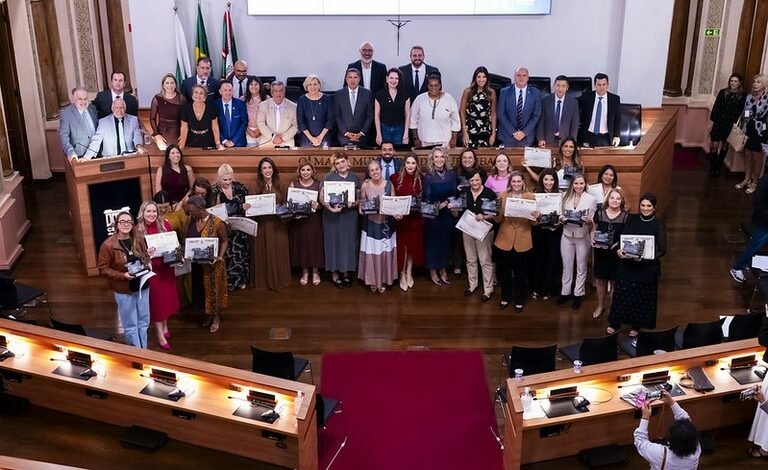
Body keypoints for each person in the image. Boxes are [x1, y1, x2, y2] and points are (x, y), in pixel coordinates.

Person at [607, 193, 666, 336]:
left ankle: (636, 325)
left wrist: (645, 259)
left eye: (648, 206)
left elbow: (662, 250)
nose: (645, 208)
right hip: (627, 264)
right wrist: (618, 249)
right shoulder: (631, 218)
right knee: (621, 294)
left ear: (654, 208)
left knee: (640, 297)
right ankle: (615, 323)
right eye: (643, 205)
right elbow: (620, 238)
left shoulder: (658, 225)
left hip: (645, 267)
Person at [96, 211, 149, 348]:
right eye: (122, 221)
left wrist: (148, 260)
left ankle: (145, 351)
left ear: (133, 224)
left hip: (142, 285)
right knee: (130, 324)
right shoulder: (108, 245)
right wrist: (122, 276)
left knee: (144, 321)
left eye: (129, 222)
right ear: (116, 225)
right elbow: (103, 268)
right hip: (124, 288)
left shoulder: (138, 239)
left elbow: (144, 258)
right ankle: (136, 355)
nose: (126, 224)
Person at [135, 201, 179, 350]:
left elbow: (174, 245)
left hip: (167, 268)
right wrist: (146, 254)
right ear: (143, 213)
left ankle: (165, 326)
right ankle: (159, 333)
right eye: (148, 211)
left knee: (167, 300)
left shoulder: (165, 225)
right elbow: (136, 255)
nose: (152, 214)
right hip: (153, 271)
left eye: (154, 211)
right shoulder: (138, 231)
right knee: (157, 302)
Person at [495, 171, 539, 311]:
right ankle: (505, 297)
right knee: (505, 272)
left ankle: (519, 299)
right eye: (513, 182)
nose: (516, 184)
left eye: (518, 181)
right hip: (505, 239)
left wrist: (537, 217)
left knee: (521, 273)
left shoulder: (531, 197)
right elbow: (497, 220)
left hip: (523, 239)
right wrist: (499, 210)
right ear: (510, 183)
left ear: (523, 183)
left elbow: (534, 224)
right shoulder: (502, 195)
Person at [186, 195, 228, 333]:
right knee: (201, 291)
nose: (190, 213)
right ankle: (207, 314)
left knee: (213, 291)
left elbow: (224, 241)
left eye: (192, 210)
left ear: (200, 209)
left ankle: (216, 317)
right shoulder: (191, 221)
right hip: (196, 264)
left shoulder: (216, 222)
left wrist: (220, 257)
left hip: (212, 265)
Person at [322, 151, 362, 288]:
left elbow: (359, 198)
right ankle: (334, 273)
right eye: (337, 163)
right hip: (332, 216)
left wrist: (354, 203)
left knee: (348, 244)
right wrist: (330, 208)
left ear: (347, 161)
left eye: (342, 161)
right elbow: (322, 197)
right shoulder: (328, 177)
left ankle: (345, 273)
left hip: (349, 216)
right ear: (334, 165)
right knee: (333, 243)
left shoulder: (355, 178)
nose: (341, 165)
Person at [557, 174, 597, 310]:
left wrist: (588, 221)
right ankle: (565, 292)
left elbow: (592, 220)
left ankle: (578, 294)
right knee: (566, 266)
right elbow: (560, 214)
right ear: (572, 185)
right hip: (567, 235)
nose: (578, 186)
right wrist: (561, 219)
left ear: (585, 184)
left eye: (581, 184)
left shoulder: (591, 199)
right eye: (576, 184)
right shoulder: (564, 197)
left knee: (581, 266)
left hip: (582, 236)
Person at [251, 157, 291, 291]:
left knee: (278, 252)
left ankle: (279, 280)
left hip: (278, 225)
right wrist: (247, 207)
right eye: (264, 168)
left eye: (269, 167)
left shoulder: (282, 184)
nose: (267, 170)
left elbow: (287, 205)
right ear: (260, 171)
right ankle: (263, 282)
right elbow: (251, 207)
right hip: (262, 225)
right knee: (262, 251)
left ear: (273, 169)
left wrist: (282, 209)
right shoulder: (254, 185)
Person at [358, 160, 398, 293]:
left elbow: (394, 203)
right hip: (371, 224)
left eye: (377, 169)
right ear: (369, 173)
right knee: (372, 251)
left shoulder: (389, 185)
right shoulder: (365, 185)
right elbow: (361, 205)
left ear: (381, 170)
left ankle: (383, 279)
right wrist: (362, 208)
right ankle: (372, 280)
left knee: (384, 251)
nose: (375, 172)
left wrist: (397, 213)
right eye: (372, 170)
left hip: (386, 224)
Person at [635, 391, 700, 469]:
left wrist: (645, 417)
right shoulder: (696, 448)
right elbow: (686, 421)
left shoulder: (661, 455)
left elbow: (640, 441)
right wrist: (671, 402)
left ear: (670, 441)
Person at [590, 188, 628, 319]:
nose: (615, 201)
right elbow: (593, 231)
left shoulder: (625, 217)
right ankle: (600, 305)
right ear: (608, 199)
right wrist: (592, 239)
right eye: (612, 198)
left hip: (616, 254)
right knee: (601, 281)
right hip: (601, 252)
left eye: (618, 198)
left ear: (622, 201)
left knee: (614, 282)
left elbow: (626, 237)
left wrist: (617, 245)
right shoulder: (599, 214)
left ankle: (613, 308)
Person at [459, 170, 496, 302]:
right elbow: (459, 210)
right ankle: (472, 285)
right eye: (472, 180)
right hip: (467, 230)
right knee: (470, 259)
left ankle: (488, 289)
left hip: (484, 231)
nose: (474, 183)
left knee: (485, 260)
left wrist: (485, 216)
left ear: (482, 180)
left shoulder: (489, 193)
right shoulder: (463, 193)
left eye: (477, 180)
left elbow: (495, 214)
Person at [212, 164, 250, 291]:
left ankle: (241, 280)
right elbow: (212, 211)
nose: (227, 182)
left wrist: (245, 207)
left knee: (241, 254)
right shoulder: (214, 191)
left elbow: (248, 205)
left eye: (229, 179)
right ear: (219, 178)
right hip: (224, 228)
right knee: (227, 255)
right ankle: (228, 282)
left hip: (240, 227)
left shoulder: (240, 188)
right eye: (224, 180)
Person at [423, 147, 457, 285]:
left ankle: (443, 269)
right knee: (433, 244)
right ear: (432, 159)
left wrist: (451, 203)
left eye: (442, 157)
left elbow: (455, 193)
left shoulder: (451, 174)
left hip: (448, 215)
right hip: (433, 217)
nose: (439, 159)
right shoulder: (429, 177)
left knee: (445, 243)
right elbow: (425, 199)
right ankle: (432, 270)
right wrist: (437, 206)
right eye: (436, 157)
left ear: (445, 158)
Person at [391, 153, 424, 291]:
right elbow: (391, 198)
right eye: (408, 162)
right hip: (401, 219)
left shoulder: (421, 179)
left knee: (413, 247)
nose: (410, 165)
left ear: (416, 165)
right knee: (402, 247)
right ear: (404, 164)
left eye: (413, 163)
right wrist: (394, 213)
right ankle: (401, 273)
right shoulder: (395, 178)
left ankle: (409, 272)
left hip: (415, 218)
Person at [288, 159, 324, 286]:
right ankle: (304, 272)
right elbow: (290, 205)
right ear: (299, 171)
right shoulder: (294, 184)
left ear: (313, 171)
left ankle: (315, 271)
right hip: (299, 220)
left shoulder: (319, 184)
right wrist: (294, 213)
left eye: (308, 169)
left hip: (314, 220)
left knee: (315, 245)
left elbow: (322, 205)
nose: (305, 172)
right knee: (302, 244)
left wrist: (318, 205)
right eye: (303, 170)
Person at [531, 168, 562, 300]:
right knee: (538, 260)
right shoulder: (535, 194)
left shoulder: (560, 195)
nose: (548, 182)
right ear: (541, 180)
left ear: (555, 181)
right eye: (546, 179)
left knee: (552, 261)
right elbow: (531, 216)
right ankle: (536, 288)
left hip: (554, 232)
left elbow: (562, 215)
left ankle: (548, 289)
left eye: (551, 179)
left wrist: (558, 224)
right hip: (539, 231)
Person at [731, 173, 768, 284]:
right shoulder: (766, 180)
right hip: (765, 221)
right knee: (755, 246)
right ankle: (737, 267)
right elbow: (758, 200)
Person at [734, 74, 768, 194]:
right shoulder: (748, 97)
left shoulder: (767, 99)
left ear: (764, 84)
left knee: (757, 158)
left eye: (758, 82)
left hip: (761, 132)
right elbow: (744, 113)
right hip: (748, 129)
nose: (755, 84)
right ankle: (746, 179)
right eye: (754, 82)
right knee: (747, 155)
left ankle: (755, 182)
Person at [708, 73, 745, 176]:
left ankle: (718, 166)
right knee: (714, 145)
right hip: (719, 122)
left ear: (740, 83)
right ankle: (713, 166)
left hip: (730, 125)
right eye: (731, 81)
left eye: (735, 81)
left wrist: (739, 126)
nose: (733, 83)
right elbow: (716, 107)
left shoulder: (742, 96)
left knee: (725, 146)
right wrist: (713, 122)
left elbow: (742, 112)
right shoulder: (723, 92)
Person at [410, 73, 461, 148]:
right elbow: (413, 121)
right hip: (424, 142)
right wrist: (416, 139)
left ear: (440, 86)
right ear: (427, 86)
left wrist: (453, 140)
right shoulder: (419, 99)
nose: (433, 88)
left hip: (444, 142)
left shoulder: (449, 99)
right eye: (431, 85)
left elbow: (455, 121)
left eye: (436, 85)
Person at [497, 66, 542, 147]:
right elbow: (501, 114)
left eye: (524, 75)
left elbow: (536, 115)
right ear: (514, 77)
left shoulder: (536, 93)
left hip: (527, 138)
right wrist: (513, 132)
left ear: (528, 78)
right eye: (518, 75)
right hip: (507, 137)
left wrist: (524, 132)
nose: (521, 78)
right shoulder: (504, 92)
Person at [578, 73, 622, 148]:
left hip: (605, 136)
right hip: (588, 135)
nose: (601, 87)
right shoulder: (586, 97)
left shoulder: (614, 99)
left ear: (608, 85)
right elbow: (575, 108)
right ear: (594, 85)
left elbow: (618, 119)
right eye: (599, 85)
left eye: (604, 84)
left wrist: (617, 135)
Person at [536, 75, 580, 148]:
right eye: (558, 85)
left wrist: (572, 141)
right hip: (547, 141)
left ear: (567, 87)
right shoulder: (545, 101)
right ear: (554, 86)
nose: (560, 88)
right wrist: (540, 138)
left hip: (566, 141)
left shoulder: (573, 102)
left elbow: (574, 123)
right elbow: (540, 122)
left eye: (563, 86)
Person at [459, 66, 497, 147]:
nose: (481, 79)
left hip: (485, 129)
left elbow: (493, 114)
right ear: (475, 78)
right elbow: (462, 112)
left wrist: (493, 133)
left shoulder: (491, 92)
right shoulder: (468, 91)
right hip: (470, 129)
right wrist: (464, 131)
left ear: (487, 78)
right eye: (479, 77)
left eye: (484, 77)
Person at [335, 68, 374, 146]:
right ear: (346, 79)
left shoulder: (367, 94)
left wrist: (362, 133)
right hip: (344, 137)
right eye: (350, 77)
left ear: (359, 79)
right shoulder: (338, 94)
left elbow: (370, 115)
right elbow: (337, 116)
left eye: (355, 77)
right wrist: (346, 133)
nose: (352, 80)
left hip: (362, 137)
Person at [178, 84, 224, 150]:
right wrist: (182, 144)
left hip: (208, 143)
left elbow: (215, 127)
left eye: (201, 93)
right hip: (191, 143)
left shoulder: (211, 108)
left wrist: (218, 143)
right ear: (192, 95)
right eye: (196, 92)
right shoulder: (186, 108)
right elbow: (184, 128)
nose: (198, 95)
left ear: (205, 97)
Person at [59, 87, 98, 162]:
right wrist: (70, 152)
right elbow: (64, 136)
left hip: (97, 153)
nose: (83, 102)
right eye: (80, 99)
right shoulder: (66, 114)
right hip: (79, 156)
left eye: (85, 98)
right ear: (74, 99)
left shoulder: (92, 109)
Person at [374, 68, 410, 146]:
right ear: (387, 79)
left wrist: (406, 133)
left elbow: (407, 114)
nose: (394, 81)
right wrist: (378, 134)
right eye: (391, 78)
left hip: (400, 129)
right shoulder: (379, 94)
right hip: (384, 129)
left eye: (396, 78)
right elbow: (377, 115)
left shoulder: (405, 94)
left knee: (399, 153)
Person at [149, 73, 187, 147]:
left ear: (175, 84)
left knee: (176, 152)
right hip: (162, 133)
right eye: (167, 83)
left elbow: (185, 119)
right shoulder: (157, 99)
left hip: (177, 133)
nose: (170, 85)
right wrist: (157, 134)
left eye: (172, 83)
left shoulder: (181, 98)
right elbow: (152, 119)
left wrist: (183, 134)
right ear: (163, 85)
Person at [257, 81, 298, 148]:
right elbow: (261, 123)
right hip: (267, 140)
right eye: (275, 91)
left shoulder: (293, 107)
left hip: (286, 141)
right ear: (271, 93)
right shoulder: (263, 105)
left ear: (284, 91)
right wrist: (273, 137)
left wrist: (283, 138)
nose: (278, 93)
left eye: (281, 90)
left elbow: (296, 125)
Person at [296, 74, 334, 147]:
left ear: (319, 85)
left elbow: (330, 120)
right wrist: (311, 138)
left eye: (315, 84)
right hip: (306, 136)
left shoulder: (327, 99)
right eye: (310, 84)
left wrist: (320, 137)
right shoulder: (302, 100)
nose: (313, 87)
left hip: (324, 135)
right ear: (306, 86)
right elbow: (301, 122)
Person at [215, 82, 248, 147]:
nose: (228, 93)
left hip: (239, 143)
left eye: (230, 90)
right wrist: (224, 140)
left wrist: (234, 140)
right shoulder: (214, 105)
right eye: (225, 90)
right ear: (220, 91)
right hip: (221, 144)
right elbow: (214, 125)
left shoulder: (240, 104)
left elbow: (244, 123)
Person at [244, 76, 266, 147]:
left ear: (260, 85)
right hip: (248, 132)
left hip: (264, 132)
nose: (254, 86)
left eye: (256, 84)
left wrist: (260, 130)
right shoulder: (242, 100)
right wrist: (248, 130)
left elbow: (270, 118)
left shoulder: (267, 99)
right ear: (248, 86)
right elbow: (240, 119)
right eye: (251, 84)